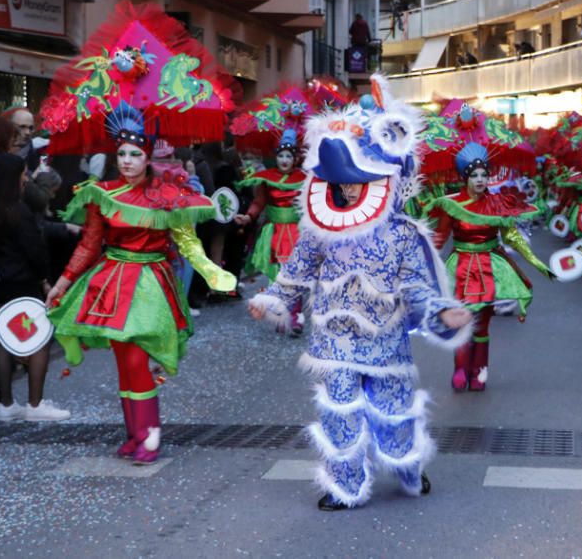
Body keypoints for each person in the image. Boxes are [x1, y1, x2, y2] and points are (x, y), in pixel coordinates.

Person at [248, 78, 472, 511]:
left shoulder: (403, 234)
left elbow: (418, 288)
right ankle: (345, 487)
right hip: (333, 341)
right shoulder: (320, 229)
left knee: (394, 418)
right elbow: (295, 273)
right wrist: (273, 301)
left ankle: (407, 467)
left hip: (386, 342)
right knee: (339, 415)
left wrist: (441, 314)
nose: (349, 190)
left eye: (358, 181)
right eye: (343, 182)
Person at [46, 103, 235, 463]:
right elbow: (89, 244)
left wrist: (211, 270)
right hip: (112, 284)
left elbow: (187, 241)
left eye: (135, 154)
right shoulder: (101, 194)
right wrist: (62, 283)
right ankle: (135, 434)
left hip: (150, 285)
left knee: (135, 360)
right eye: (121, 154)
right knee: (123, 362)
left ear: (148, 157)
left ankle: (149, 434)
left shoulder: (166, 196)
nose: (128, 160)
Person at [430, 143, 553, 391]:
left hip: (489, 267)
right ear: (465, 177)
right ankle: (460, 369)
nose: (480, 179)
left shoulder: (498, 204)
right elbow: (439, 238)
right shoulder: (450, 205)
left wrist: (538, 263)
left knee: (483, 322)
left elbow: (512, 238)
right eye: (474, 175)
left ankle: (479, 371)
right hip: (461, 268)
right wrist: (422, 263)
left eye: (484, 174)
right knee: (463, 319)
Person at [0, 154, 70, 422]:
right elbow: (35, 250)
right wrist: (44, 279)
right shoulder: (19, 210)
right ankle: (35, 404)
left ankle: (6, 404)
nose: (26, 178)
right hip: (21, 282)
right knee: (38, 340)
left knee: (3, 338)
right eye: (24, 173)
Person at [235, 130, 306, 334]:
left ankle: (296, 315)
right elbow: (259, 202)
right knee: (277, 276)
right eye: (281, 156)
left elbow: (311, 203)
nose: (284, 160)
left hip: (296, 232)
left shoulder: (304, 178)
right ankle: (280, 313)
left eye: (288, 156)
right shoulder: (267, 178)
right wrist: (248, 216)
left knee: (294, 276)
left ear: (295, 158)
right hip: (273, 232)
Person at [2, 107, 41, 171]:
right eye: (22, 127)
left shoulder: (33, 154)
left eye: (31, 128)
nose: (27, 132)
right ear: (11, 126)